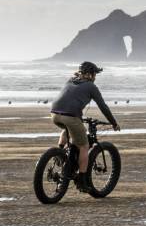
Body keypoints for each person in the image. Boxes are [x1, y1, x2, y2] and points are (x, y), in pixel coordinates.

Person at [50, 61, 120, 191]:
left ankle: (60, 154)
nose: (95, 77)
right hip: (71, 117)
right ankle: (81, 180)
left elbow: (71, 93)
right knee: (84, 145)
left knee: (68, 129)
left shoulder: (70, 80)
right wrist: (114, 122)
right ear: (89, 74)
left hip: (54, 114)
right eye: (94, 74)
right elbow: (103, 106)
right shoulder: (91, 87)